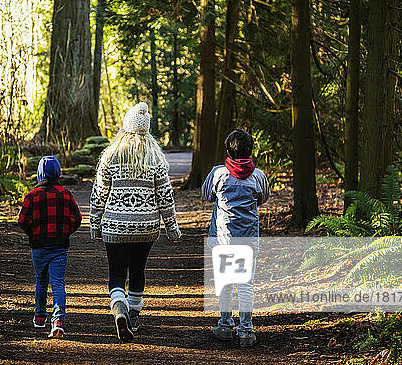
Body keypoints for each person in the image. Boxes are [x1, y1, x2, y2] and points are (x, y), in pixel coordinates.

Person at [90, 102, 181, 342]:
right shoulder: (156, 158)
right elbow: (165, 197)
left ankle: (118, 306)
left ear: (126, 128)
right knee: (138, 269)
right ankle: (133, 315)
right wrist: (172, 228)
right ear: (146, 130)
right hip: (147, 226)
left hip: (115, 225)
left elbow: (99, 194)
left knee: (117, 271)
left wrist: (95, 223)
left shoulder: (110, 156)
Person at [201, 129, 270, 348]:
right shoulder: (258, 175)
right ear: (250, 151)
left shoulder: (218, 173)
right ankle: (246, 331)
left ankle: (224, 326)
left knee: (225, 283)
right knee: (246, 285)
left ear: (228, 150)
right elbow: (263, 198)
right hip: (248, 240)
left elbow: (207, 195)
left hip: (223, 238)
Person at [18, 156, 82, 338]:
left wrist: (33, 232)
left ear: (39, 173)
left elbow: (22, 221)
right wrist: (65, 231)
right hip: (59, 245)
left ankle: (39, 317)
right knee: (58, 282)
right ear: (58, 173)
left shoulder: (31, 196)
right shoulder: (65, 194)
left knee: (41, 280)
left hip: (38, 246)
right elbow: (77, 218)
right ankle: (58, 320)